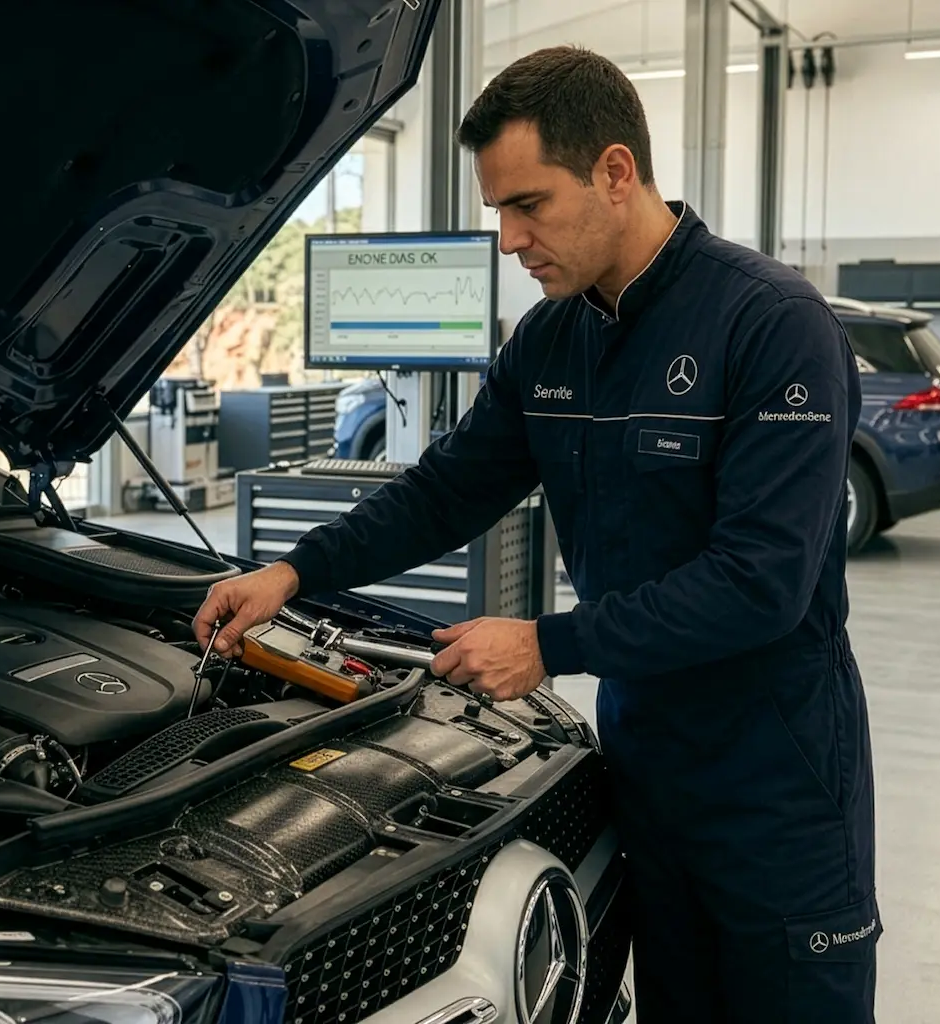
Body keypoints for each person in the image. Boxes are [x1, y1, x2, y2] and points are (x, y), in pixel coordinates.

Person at [193, 45, 878, 1024]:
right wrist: (292, 572)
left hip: (774, 774)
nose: (510, 241)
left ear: (613, 171)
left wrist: (548, 643)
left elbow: (760, 580)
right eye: (497, 214)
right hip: (642, 759)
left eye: (529, 206)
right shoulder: (551, 340)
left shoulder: (767, 322)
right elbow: (443, 492)